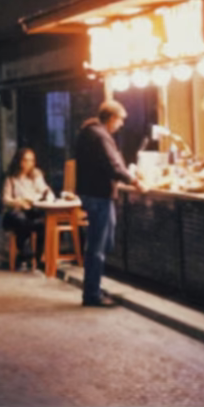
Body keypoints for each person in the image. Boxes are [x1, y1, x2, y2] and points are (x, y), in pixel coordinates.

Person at [74, 100, 145, 307]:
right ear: (112, 118)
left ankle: (94, 286)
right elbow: (113, 165)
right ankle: (92, 294)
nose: (121, 125)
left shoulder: (91, 133)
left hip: (94, 194)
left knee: (102, 242)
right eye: (121, 120)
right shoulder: (100, 136)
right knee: (97, 246)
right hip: (99, 195)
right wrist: (134, 181)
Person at [1, 147, 54, 271]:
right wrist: (18, 202)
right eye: (25, 160)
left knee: (42, 224)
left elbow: (46, 191)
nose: (29, 163)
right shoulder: (11, 178)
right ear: (19, 161)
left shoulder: (35, 176)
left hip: (31, 211)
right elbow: (5, 199)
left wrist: (46, 198)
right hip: (15, 213)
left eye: (31, 160)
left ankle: (36, 257)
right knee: (20, 219)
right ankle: (26, 254)